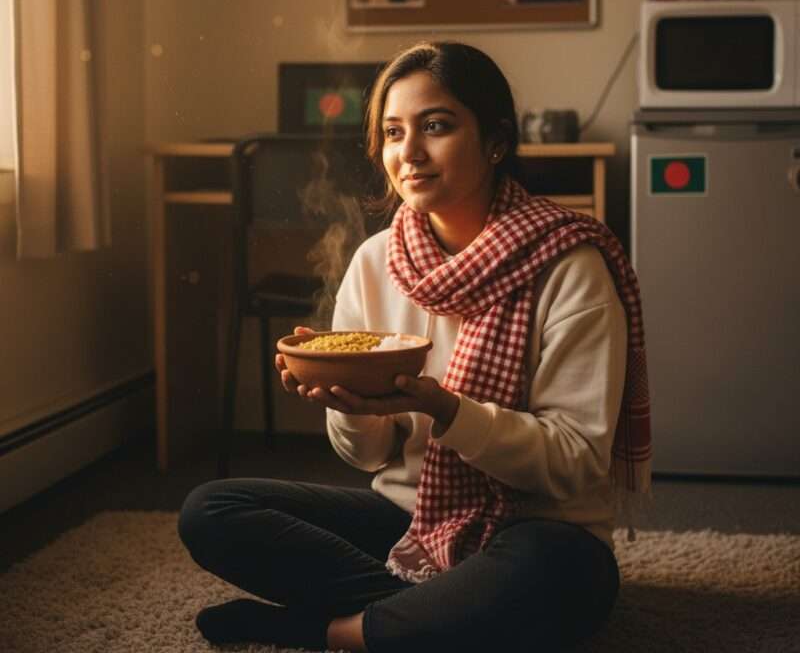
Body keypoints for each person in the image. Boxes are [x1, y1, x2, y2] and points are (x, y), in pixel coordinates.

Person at [178, 41, 653, 652]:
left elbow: (574, 462)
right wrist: (347, 401)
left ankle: (329, 630)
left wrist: (444, 409)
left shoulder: (570, 264)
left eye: (437, 126)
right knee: (212, 510)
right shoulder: (378, 262)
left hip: (538, 528)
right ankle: (432, 622)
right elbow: (371, 460)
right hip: (413, 521)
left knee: (556, 572)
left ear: (496, 141)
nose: (411, 153)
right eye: (394, 132)